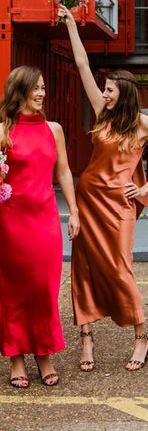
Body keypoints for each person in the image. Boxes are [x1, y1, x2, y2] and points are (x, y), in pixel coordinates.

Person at [59, 5, 148, 372]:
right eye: (103, 89)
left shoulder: (144, 125)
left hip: (120, 205)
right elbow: (81, 65)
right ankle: (86, 339)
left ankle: (141, 336)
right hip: (89, 198)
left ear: (122, 92)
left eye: (109, 90)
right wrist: (72, 25)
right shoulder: (101, 112)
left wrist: (145, 190)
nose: (103, 93)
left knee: (121, 267)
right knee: (84, 268)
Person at [0, 66, 80, 388]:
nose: (42, 93)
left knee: (44, 290)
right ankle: (16, 356)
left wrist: (73, 211)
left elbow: (63, 173)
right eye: (36, 88)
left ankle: (43, 353)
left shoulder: (54, 129)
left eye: (43, 88)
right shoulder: (3, 130)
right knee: (14, 290)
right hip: (10, 221)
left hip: (46, 221)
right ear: (19, 91)